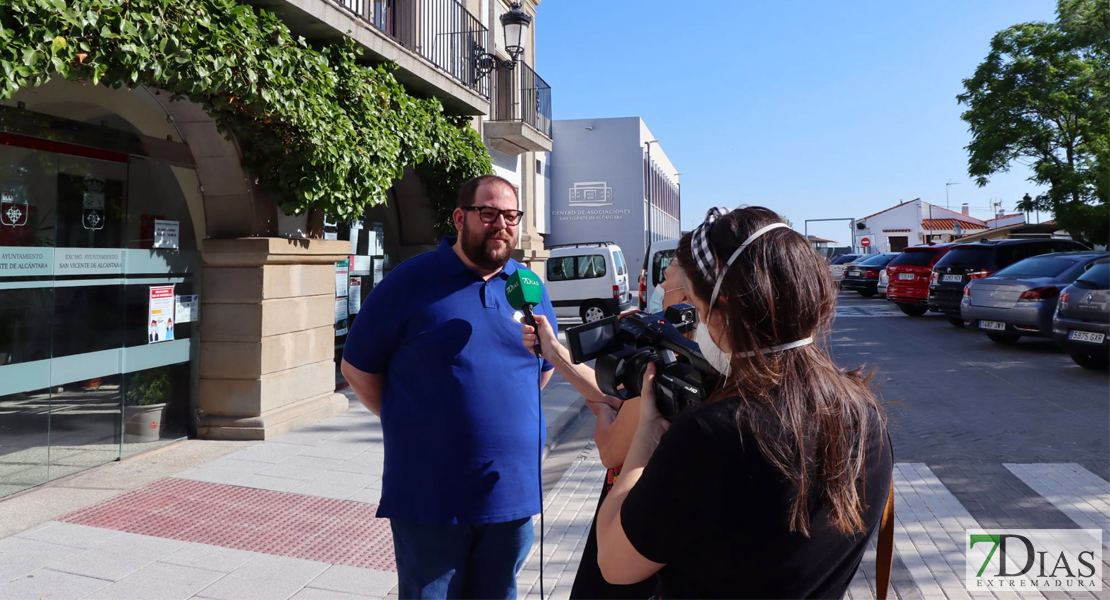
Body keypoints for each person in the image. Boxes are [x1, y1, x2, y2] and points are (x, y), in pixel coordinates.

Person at [594, 206, 894, 599]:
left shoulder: (713, 434)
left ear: (722, 311)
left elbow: (614, 564)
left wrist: (643, 445)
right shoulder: (864, 413)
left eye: (698, 312)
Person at [341, 174, 557, 600]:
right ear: (460, 218)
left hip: (510, 494)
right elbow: (357, 369)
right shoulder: (409, 282)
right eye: (489, 213)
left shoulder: (528, 287)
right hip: (430, 496)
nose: (501, 224)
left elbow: (543, 368)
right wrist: (412, 421)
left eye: (511, 216)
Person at [520, 258, 690, 599]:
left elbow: (610, 447)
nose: (659, 284)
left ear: (689, 290)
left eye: (667, 273)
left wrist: (601, 414)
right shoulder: (693, 356)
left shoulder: (673, 371)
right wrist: (553, 351)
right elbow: (609, 395)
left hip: (634, 532)